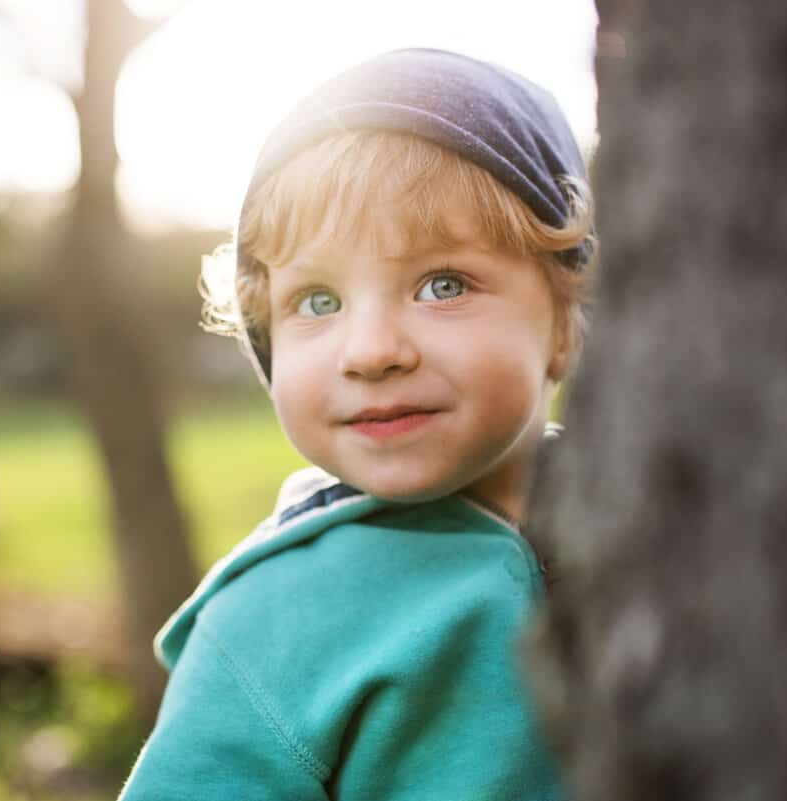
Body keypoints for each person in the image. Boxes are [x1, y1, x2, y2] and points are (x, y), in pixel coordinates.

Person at [118, 48, 596, 800]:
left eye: (442, 284)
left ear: (566, 320)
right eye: (316, 301)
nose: (371, 351)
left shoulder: (668, 533)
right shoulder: (269, 622)